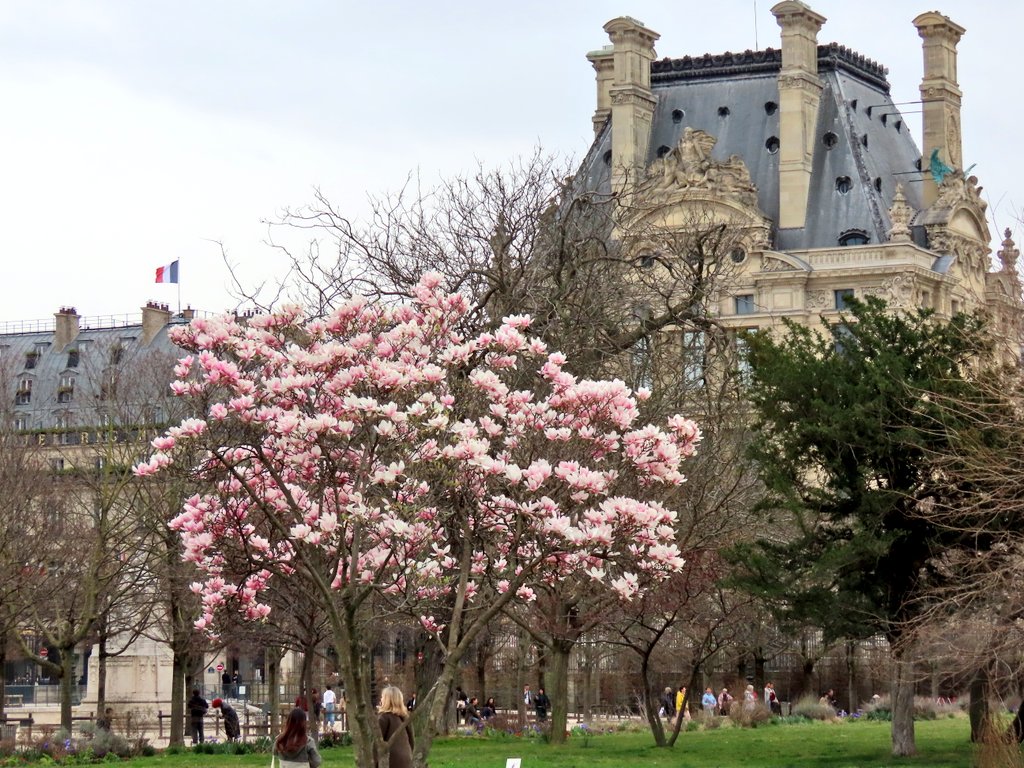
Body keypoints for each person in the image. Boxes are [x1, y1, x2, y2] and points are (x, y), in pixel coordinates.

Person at [378, 685, 413, 768]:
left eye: (382, 697)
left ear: (387, 700)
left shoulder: (384, 718)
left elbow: (377, 743)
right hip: (407, 759)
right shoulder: (405, 718)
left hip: (392, 760)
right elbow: (411, 741)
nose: (381, 699)